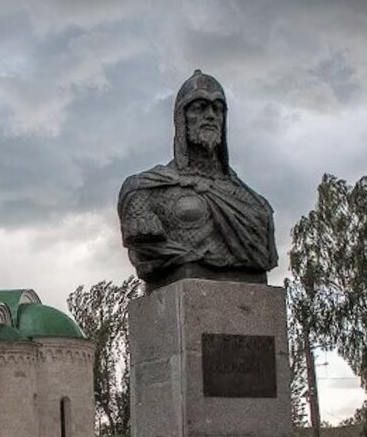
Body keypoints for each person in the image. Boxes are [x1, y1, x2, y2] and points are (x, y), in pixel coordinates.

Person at [118, 70, 277, 290]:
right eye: (199, 107)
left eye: (218, 108)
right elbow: (145, 251)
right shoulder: (144, 189)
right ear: (182, 117)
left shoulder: (254, 203)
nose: (211, 115)